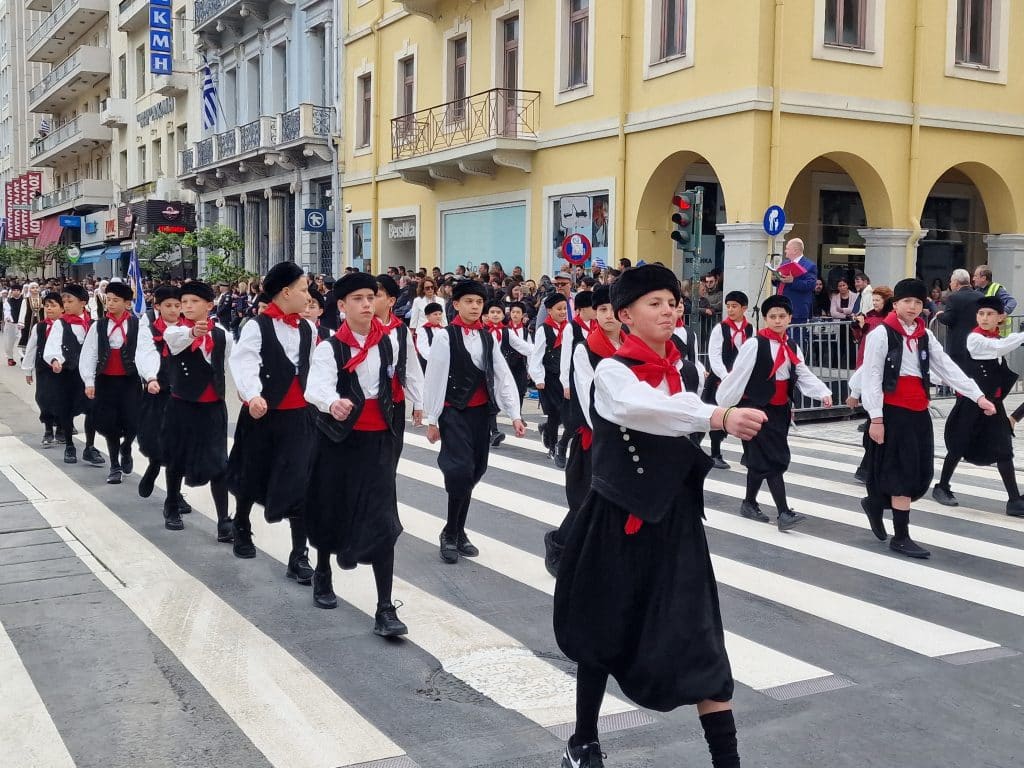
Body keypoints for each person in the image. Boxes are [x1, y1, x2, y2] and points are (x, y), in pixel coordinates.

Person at [553, 264, 765, 768]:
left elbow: (699, 400)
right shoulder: (611, 371)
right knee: (603, 629)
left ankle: (728, 762)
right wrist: (716, 417)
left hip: (675, 521)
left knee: (701, 635)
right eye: (655, 303)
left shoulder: (683, 369)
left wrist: (743, 375)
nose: (669, 309)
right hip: (618, 519)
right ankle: (583, 741)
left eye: (672, 301)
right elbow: (640, 409)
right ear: (624, 315)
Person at [304, 272, 423, 634]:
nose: (367, 304)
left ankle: (385, 608)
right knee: (332, 507)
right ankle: (322, 571)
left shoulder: (390, 341)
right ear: (341, 306)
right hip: (339, 440)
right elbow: (315, 387)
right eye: (357, 299)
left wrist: (423, 408)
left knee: (383, 519)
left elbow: (410, 375)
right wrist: (332, 402)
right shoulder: (329, 347)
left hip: (380, 441)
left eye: (371, 297)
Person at [860, 279, 994, 558]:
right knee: (902, 472)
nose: (913, 307)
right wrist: (875, 418)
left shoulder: (924, 336)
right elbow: (871, 377)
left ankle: (876, 504)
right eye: (907, 301)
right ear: (894, 304)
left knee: (921, 472)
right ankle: (901, 536)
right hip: (893, 411)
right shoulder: (882, 334)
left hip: (919, 412)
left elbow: (946, 368)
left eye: (918, 302)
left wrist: (977, 396)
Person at [423, 280, 526, 564]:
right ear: (456, 304)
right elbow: (435, 376)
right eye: (468, 301)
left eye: (479, 303)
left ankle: (456, 530)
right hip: (453, 411)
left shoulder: (487, 337)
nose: (474, 307)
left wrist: (515, 414)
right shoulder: (446, 336)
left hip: (481, 413)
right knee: (459, 470)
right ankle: (450, 534)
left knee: (476, 470)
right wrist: (432, 418)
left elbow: (502, 375)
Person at [226, 261, 316, 582]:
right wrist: (253, 396)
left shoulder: (308, 328)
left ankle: (298, 555)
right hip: (263, 415)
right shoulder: (256, 326)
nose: (308, 295)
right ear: (286, 291)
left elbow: (312, 368)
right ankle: (241, 524)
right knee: (252, 473)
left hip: (300, 418)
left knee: (301, 482)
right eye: (304, 289)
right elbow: (244, 362)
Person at [717, 295, 834, 530]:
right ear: (765, 319)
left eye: (782, 316)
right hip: (756, 407)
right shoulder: (754, 344)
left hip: (780, 409)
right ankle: (783, 512)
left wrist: (822, 391)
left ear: (790, 318)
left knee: (760, 459)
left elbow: (801, 373)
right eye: (772, 317)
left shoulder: (791, 346)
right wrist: (724, 405)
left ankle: (749, 503)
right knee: (773, 458)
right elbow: (738, 375)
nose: (778, 321)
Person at [543, 284, 623, 577]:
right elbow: (590, 399)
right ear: (594, 313)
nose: (609, 316)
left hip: (628, 435)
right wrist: (608, 434)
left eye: (614, 310)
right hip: (597, 436)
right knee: (588, 499)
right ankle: (560, 544)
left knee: (614, 501)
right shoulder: (585, 349)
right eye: (602, 310)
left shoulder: (633, 345)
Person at [931, 296, 1024, 517]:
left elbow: (1003, 345)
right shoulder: (975, 339)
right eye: (981, 314)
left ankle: (1014, 499)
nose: (984, 318)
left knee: (1004, 449)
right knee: (958, 446)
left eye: (990, 314)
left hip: (994, 404)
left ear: (1001, 318)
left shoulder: (995, 337)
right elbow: (999, 348)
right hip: (972, 403)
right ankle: (942, 486)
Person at [159, 282, 234, 537]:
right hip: (183, 404)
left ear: (209, 306)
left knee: (219, 463)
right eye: (184, 303)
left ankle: (224, 520)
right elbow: (177, 343)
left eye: (194, 302)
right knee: (178, 458)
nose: (188, 307)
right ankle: (172, 505)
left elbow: (231, 364)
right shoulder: (175, 331)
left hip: (213, 406)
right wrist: (194, 334)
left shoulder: (223, 334)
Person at [79, 281, 143, 485]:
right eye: (109, 300)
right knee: (110, 424)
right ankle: (115, 464)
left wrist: (150, 377)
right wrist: (89, 381)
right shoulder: (98, 326)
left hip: (130, 380)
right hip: (105, 381)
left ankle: (127, 448)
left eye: (116, 300)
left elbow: (146, 353)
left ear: (127, 303)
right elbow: (88, 354)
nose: (111, 304)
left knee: (134, 421)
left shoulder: (138, 325)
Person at [43, 285, 104, 467]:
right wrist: (55, 360)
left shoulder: (93, 324)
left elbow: (99, 348)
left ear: (83, 303)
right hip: (67, 374)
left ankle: (90, 447)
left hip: (87, 376)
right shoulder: (61, 324)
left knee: (92, 410)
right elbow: (53, 345)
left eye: (70, 301)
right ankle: (69, 445)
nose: (66, 305)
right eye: (65, 301)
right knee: (67, 411)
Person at [135, 285, 184, 506]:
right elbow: (145, 352)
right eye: (168, 306)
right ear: (157, 307)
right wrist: (151, 377)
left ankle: (175, 496)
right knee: (158, 439)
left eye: (177, 305)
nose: (174, 310)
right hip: (158, 392)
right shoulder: (149, 328)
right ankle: (154, 466)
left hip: (184, 395)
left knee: (180, 445)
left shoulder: (188, 328)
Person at [701, 291, 754, 469]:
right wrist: (725, 376)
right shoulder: (720, 328)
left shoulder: (751, 329)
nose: (730, 310)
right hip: (720, 379)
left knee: (745, 415)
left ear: (744, 308)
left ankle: (748, 455)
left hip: (741, 380)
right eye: (728, 306)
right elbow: (714, 356)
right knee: (718, 416)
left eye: (734, 306)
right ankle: (715, 453)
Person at [483, 300, 530, 446]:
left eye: (498, 312)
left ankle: (498, 428)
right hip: (486, 371)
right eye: (492, 312)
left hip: (503, 370)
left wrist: (540, 353)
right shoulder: (482, 331)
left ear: (504, 315)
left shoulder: (506, 332)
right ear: (487, 315)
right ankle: (494, 431)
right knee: (489, 400)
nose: (495, 315)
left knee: (502, 397)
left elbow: (523, 346)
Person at [530, 292, 570, 465]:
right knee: (555, 412)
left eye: (564, 309)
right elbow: (536, 355)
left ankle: (545, 428)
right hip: (549, 377)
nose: (562, 312)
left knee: (567, 413)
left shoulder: (569, 328)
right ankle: (553, 446)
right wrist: (538, 377)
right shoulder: (543, 330)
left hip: (565, 377)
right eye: (558, 309)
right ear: (549, 311)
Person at [21, 291, 64, 446]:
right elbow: (31, 347)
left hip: (62, 369)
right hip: (43, 368)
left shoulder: (67, 325)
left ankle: (61, 428)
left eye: (53, 306)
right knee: (43, 398)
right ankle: (47, 429)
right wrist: (28, 369)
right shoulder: (39, 327)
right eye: (46, 306)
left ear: (62, 308)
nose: (49, 309)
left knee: (61, 398)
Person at [936, 269, 981, 365]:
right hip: (977, 339)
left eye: (951, 282)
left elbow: (949, 319)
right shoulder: (980, 296)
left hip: (958, 343)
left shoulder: (954, 297)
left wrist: (939, 315)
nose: (950, 284)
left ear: (956, 283)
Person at [773, 238, 818, 323]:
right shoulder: (784, 263)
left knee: (796, 335)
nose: (785, 250)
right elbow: (781, 283)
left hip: (797, 310)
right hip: (781, 307)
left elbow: (810, 285)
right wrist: (776, 278)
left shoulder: (809, 265)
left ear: (795, 250)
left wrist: (793, 281)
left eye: (787, 248)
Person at [852, 286, 893, 368]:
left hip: (881, 358)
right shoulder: (869, 316)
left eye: (877, 300)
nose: (874, 303)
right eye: (873, 300)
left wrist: (864, 327)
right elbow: (859, 338)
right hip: (864, 355)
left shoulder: (891, 318)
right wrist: (856, 327)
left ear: (886, 301)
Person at [2, 284, 24, 365]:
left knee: (22, 341)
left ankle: (23, 357)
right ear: (11, 291)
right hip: (10, 324)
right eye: (14, 290)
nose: (16, 292)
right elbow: (6, 311)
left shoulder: (24, 301)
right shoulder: (8, 301)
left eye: (18, 290)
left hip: (21, 324)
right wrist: (8, 318)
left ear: (20, 292)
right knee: (9, 342)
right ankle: (10, 358)